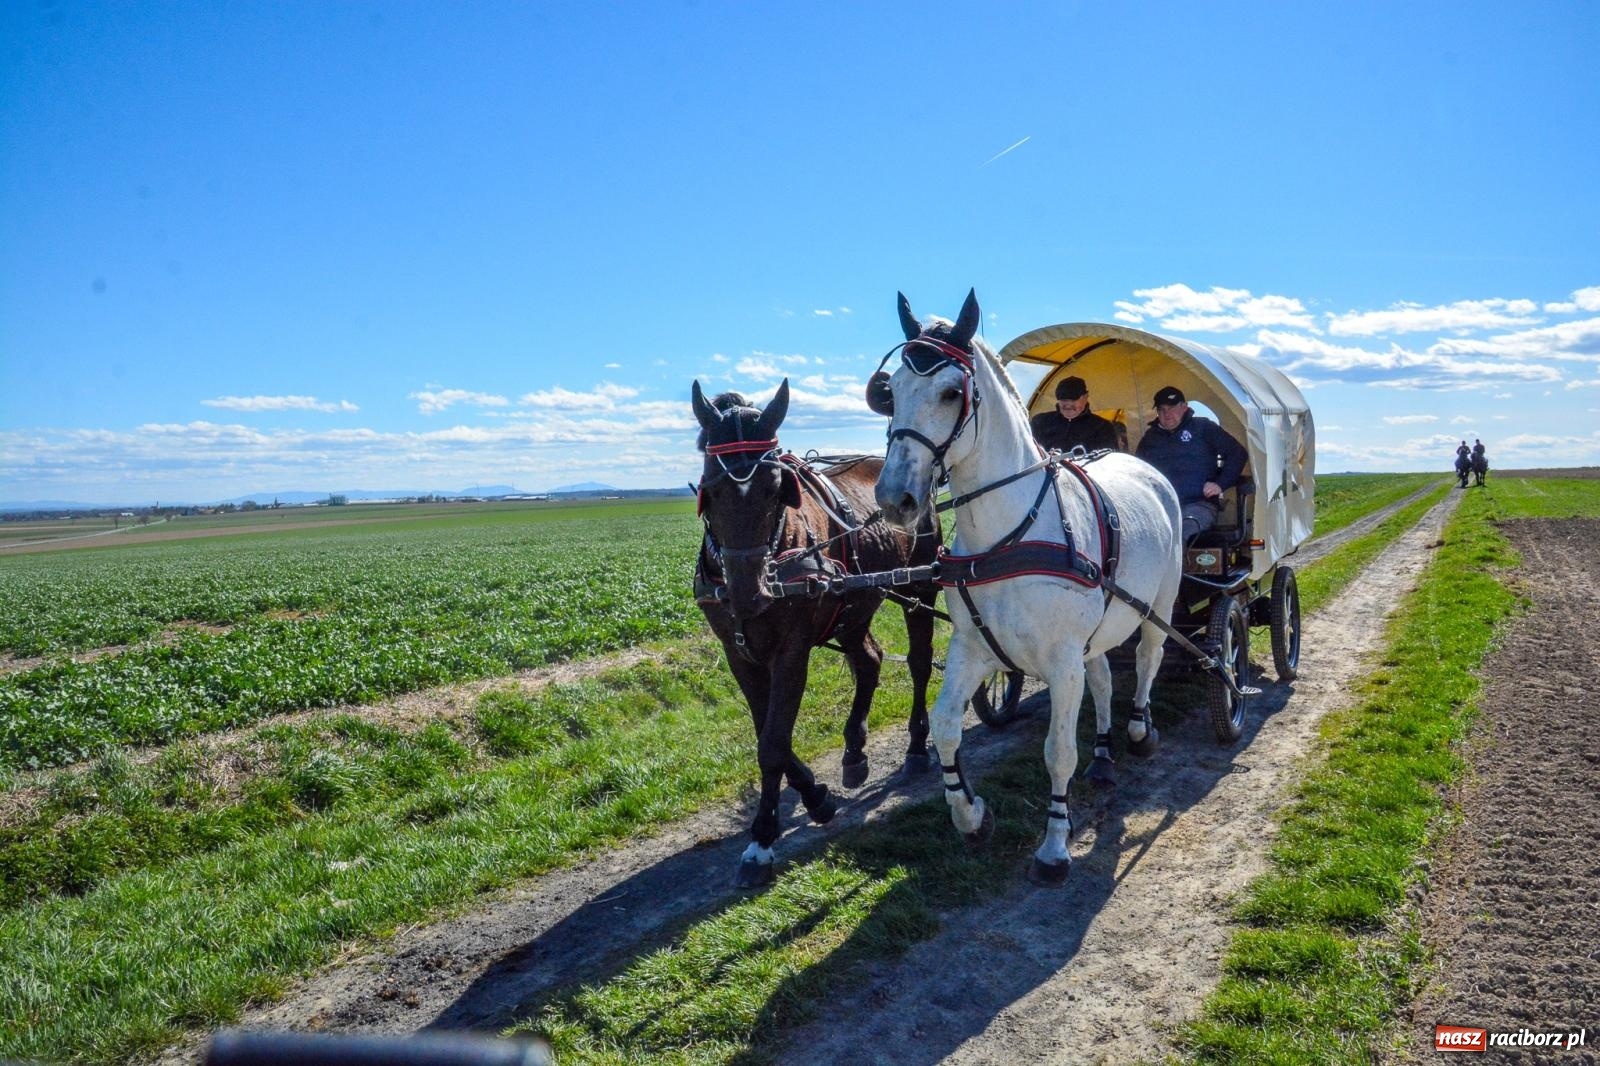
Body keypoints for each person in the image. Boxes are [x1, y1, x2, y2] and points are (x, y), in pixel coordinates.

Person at [1135, 385, 1248, 542]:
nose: (1167, 414)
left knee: (1179, 534)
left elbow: (1238, 453)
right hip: (1160, 507)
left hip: (1198, 505)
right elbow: (1137, 471)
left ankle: (1180, 567)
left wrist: (1220, 484)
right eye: (1162, 409)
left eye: (1172, 408)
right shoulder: (1150, 438)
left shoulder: (1203, 427)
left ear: (1184, 407)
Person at [1029, 375, 1122, 455]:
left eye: (1074, 400)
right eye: (1064, 400)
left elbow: (1109, 465)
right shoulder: (1040, 423)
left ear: (1085, 397)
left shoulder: (1103, 428)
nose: (1068, 405)